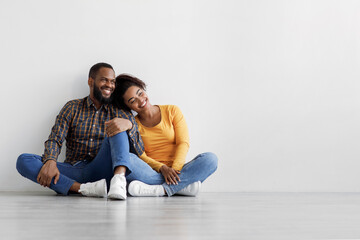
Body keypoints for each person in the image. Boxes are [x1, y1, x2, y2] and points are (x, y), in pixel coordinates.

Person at [16, 63, 145, 200]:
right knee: (24, 160)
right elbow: (55, 138)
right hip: (73, 170)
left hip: (104, 169)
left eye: (112, 81)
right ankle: (83, 189)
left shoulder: (119, 111)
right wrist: (50, 160)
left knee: (118, 127)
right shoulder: (72, 107)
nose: (110, 85)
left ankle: (115, 181)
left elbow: (139, 150)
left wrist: (130, 125)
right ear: (91, 81)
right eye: (104, 80)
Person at [113, 74, 218, 197]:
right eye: (133, 100)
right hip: (152, 172)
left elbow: (183, 143)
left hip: (178, 170)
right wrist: (163, 168)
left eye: (140, 93)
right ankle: (181, 186)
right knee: (128, 160)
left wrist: (175, 170)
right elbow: (142, 156)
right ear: (127, 106)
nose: (140, 100)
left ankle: (160, 190)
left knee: (210, 159)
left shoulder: (172, 111)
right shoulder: (133, 124)